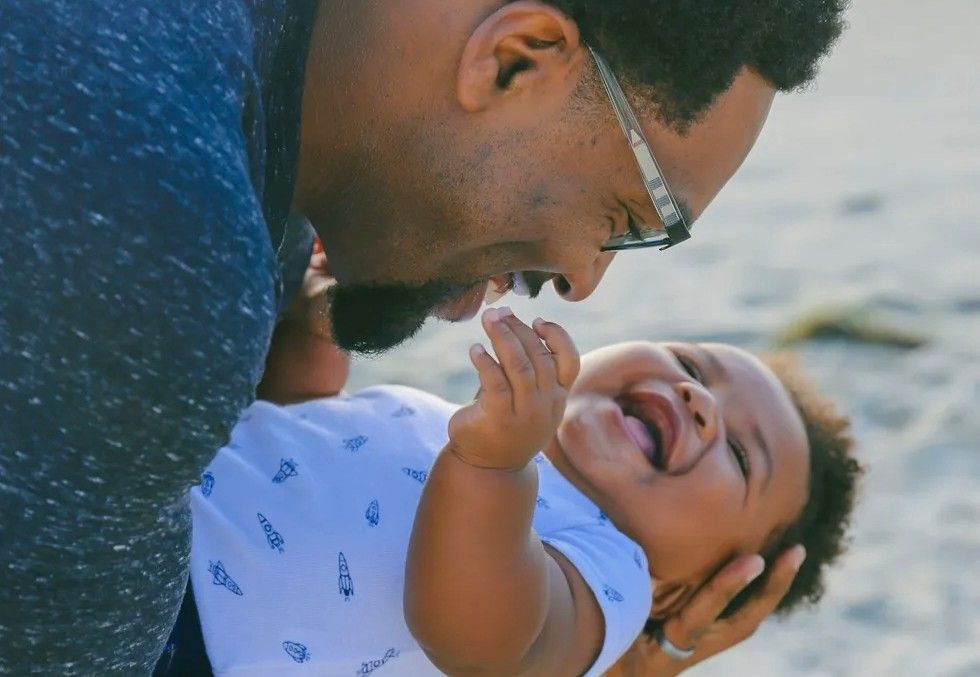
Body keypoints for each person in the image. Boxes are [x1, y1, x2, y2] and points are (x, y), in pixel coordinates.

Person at [1, 1, 849, 672]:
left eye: (741, 455)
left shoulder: (592, 567)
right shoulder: (164, 248)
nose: (586, 280)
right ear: (514, 58)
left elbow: (482, 633)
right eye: (628, 218)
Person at [164, 301, 860, 676]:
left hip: (184, 643)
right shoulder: (454, 426)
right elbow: (296, 445)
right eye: (691, 363)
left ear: (677, 591)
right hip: (161, 499)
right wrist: (323, 321)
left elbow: (477, 638)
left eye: (740, 453)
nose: (695, 397)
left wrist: (494, 465)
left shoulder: (605, 574)